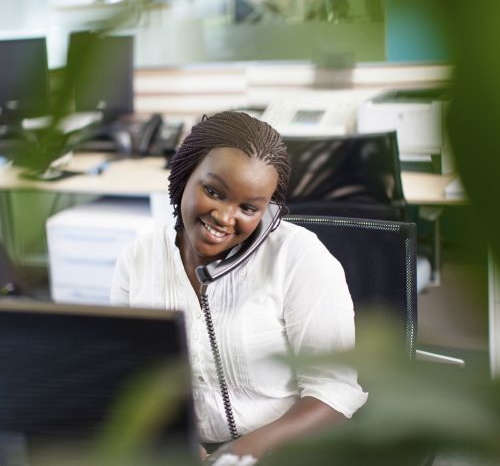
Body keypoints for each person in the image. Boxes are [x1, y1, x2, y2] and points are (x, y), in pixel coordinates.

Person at [111, 111, 367, 463]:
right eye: (213, 191)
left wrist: (237, 455)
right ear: (186, 173)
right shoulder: (136, 260)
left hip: (281, 448)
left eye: (248, 207)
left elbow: (334, 388)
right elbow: (129, 374)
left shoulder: (299, 258)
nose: (224, 217)